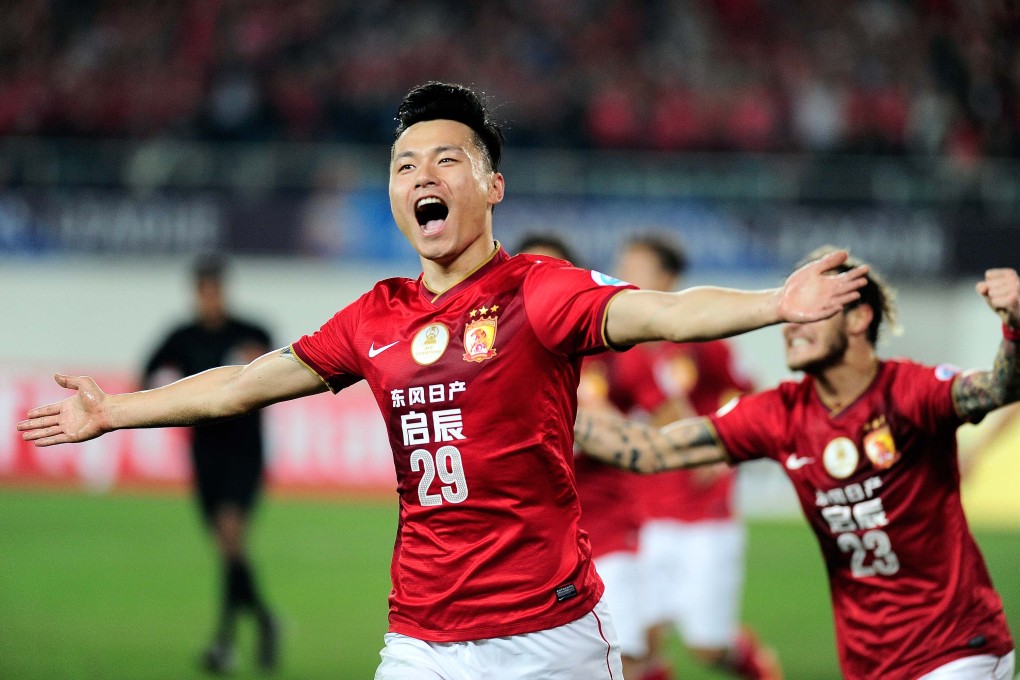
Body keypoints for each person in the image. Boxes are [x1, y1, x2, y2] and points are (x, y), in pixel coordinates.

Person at [18, 82, 869, 680]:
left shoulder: (540, 291)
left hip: (553, 635)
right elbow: (243, 385)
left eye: (448, 160)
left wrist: (774, 302)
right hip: (421, 639)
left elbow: (658, 312)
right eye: (404, 164)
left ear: (493, 185)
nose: (423, 175)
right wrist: (113, 412)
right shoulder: (374, 317)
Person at [573, 248, 1018, 680]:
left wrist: (1014, 326)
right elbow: (655, 450)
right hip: (870, 663)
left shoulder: (910, 392)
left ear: (860, 318)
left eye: (815, 309)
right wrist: (547, 406)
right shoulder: (782, 414)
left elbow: (999, 387)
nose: (792, 324)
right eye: (792, 311)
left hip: (959, 650)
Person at [611, 234, 782, 680]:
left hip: (703, 515)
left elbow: (749, 395)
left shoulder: (702, 339)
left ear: (666, 278)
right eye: (621, 265)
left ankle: (761, 668)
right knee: (636, 641)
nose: (623, 275)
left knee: (706, 646)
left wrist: (724, 450)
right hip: (642, 515)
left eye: (636, 267)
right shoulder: (617, 345)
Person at [141, 256, 279, 674]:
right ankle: (260, 622)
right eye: (203, 291)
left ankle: (225, 640)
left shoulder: (252, 333)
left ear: (223, 290)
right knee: (227, 549)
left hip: (244, 452)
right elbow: (147, 376)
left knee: (230, 535)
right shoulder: (181, 338)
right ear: (197, 292)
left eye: (215, 289)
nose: (209, 298)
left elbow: (279, 378)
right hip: (205, 456)